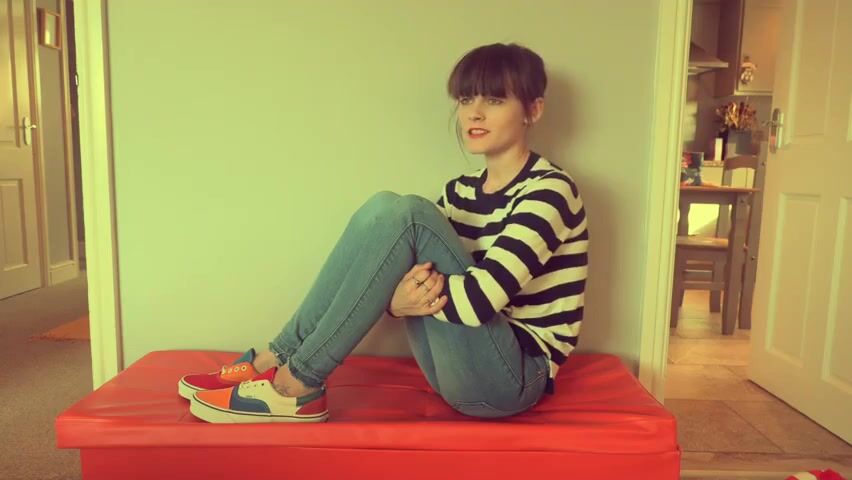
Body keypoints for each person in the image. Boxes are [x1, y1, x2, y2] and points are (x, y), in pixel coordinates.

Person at [179, 42, 589, 423]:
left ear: (533, 110)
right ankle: (277, 356)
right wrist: (394, 303)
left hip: (511, 381)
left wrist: (395, 301)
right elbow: (401, 272)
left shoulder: (550, 191)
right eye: (466, 100)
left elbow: (479, 301)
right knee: (382, 207)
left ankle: (296, 383)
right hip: (452, 368)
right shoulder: (459, 191)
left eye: (494, 100)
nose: (474, 114)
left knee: (409, 214)